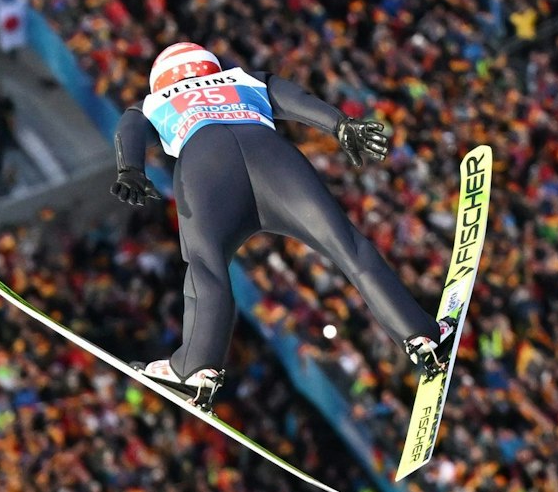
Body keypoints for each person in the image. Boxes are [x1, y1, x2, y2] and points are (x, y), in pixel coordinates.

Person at [112, 41, 450, 408]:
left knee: (207, 267)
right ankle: (419, 335)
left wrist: (130, 169)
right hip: (273, 158)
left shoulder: (155, 102)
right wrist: (340, 124)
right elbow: (298, 99)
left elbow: (129, 128)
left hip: (205, 165)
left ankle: (197, 368)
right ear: (211, 67)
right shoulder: (243, 78)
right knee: (347, 246)